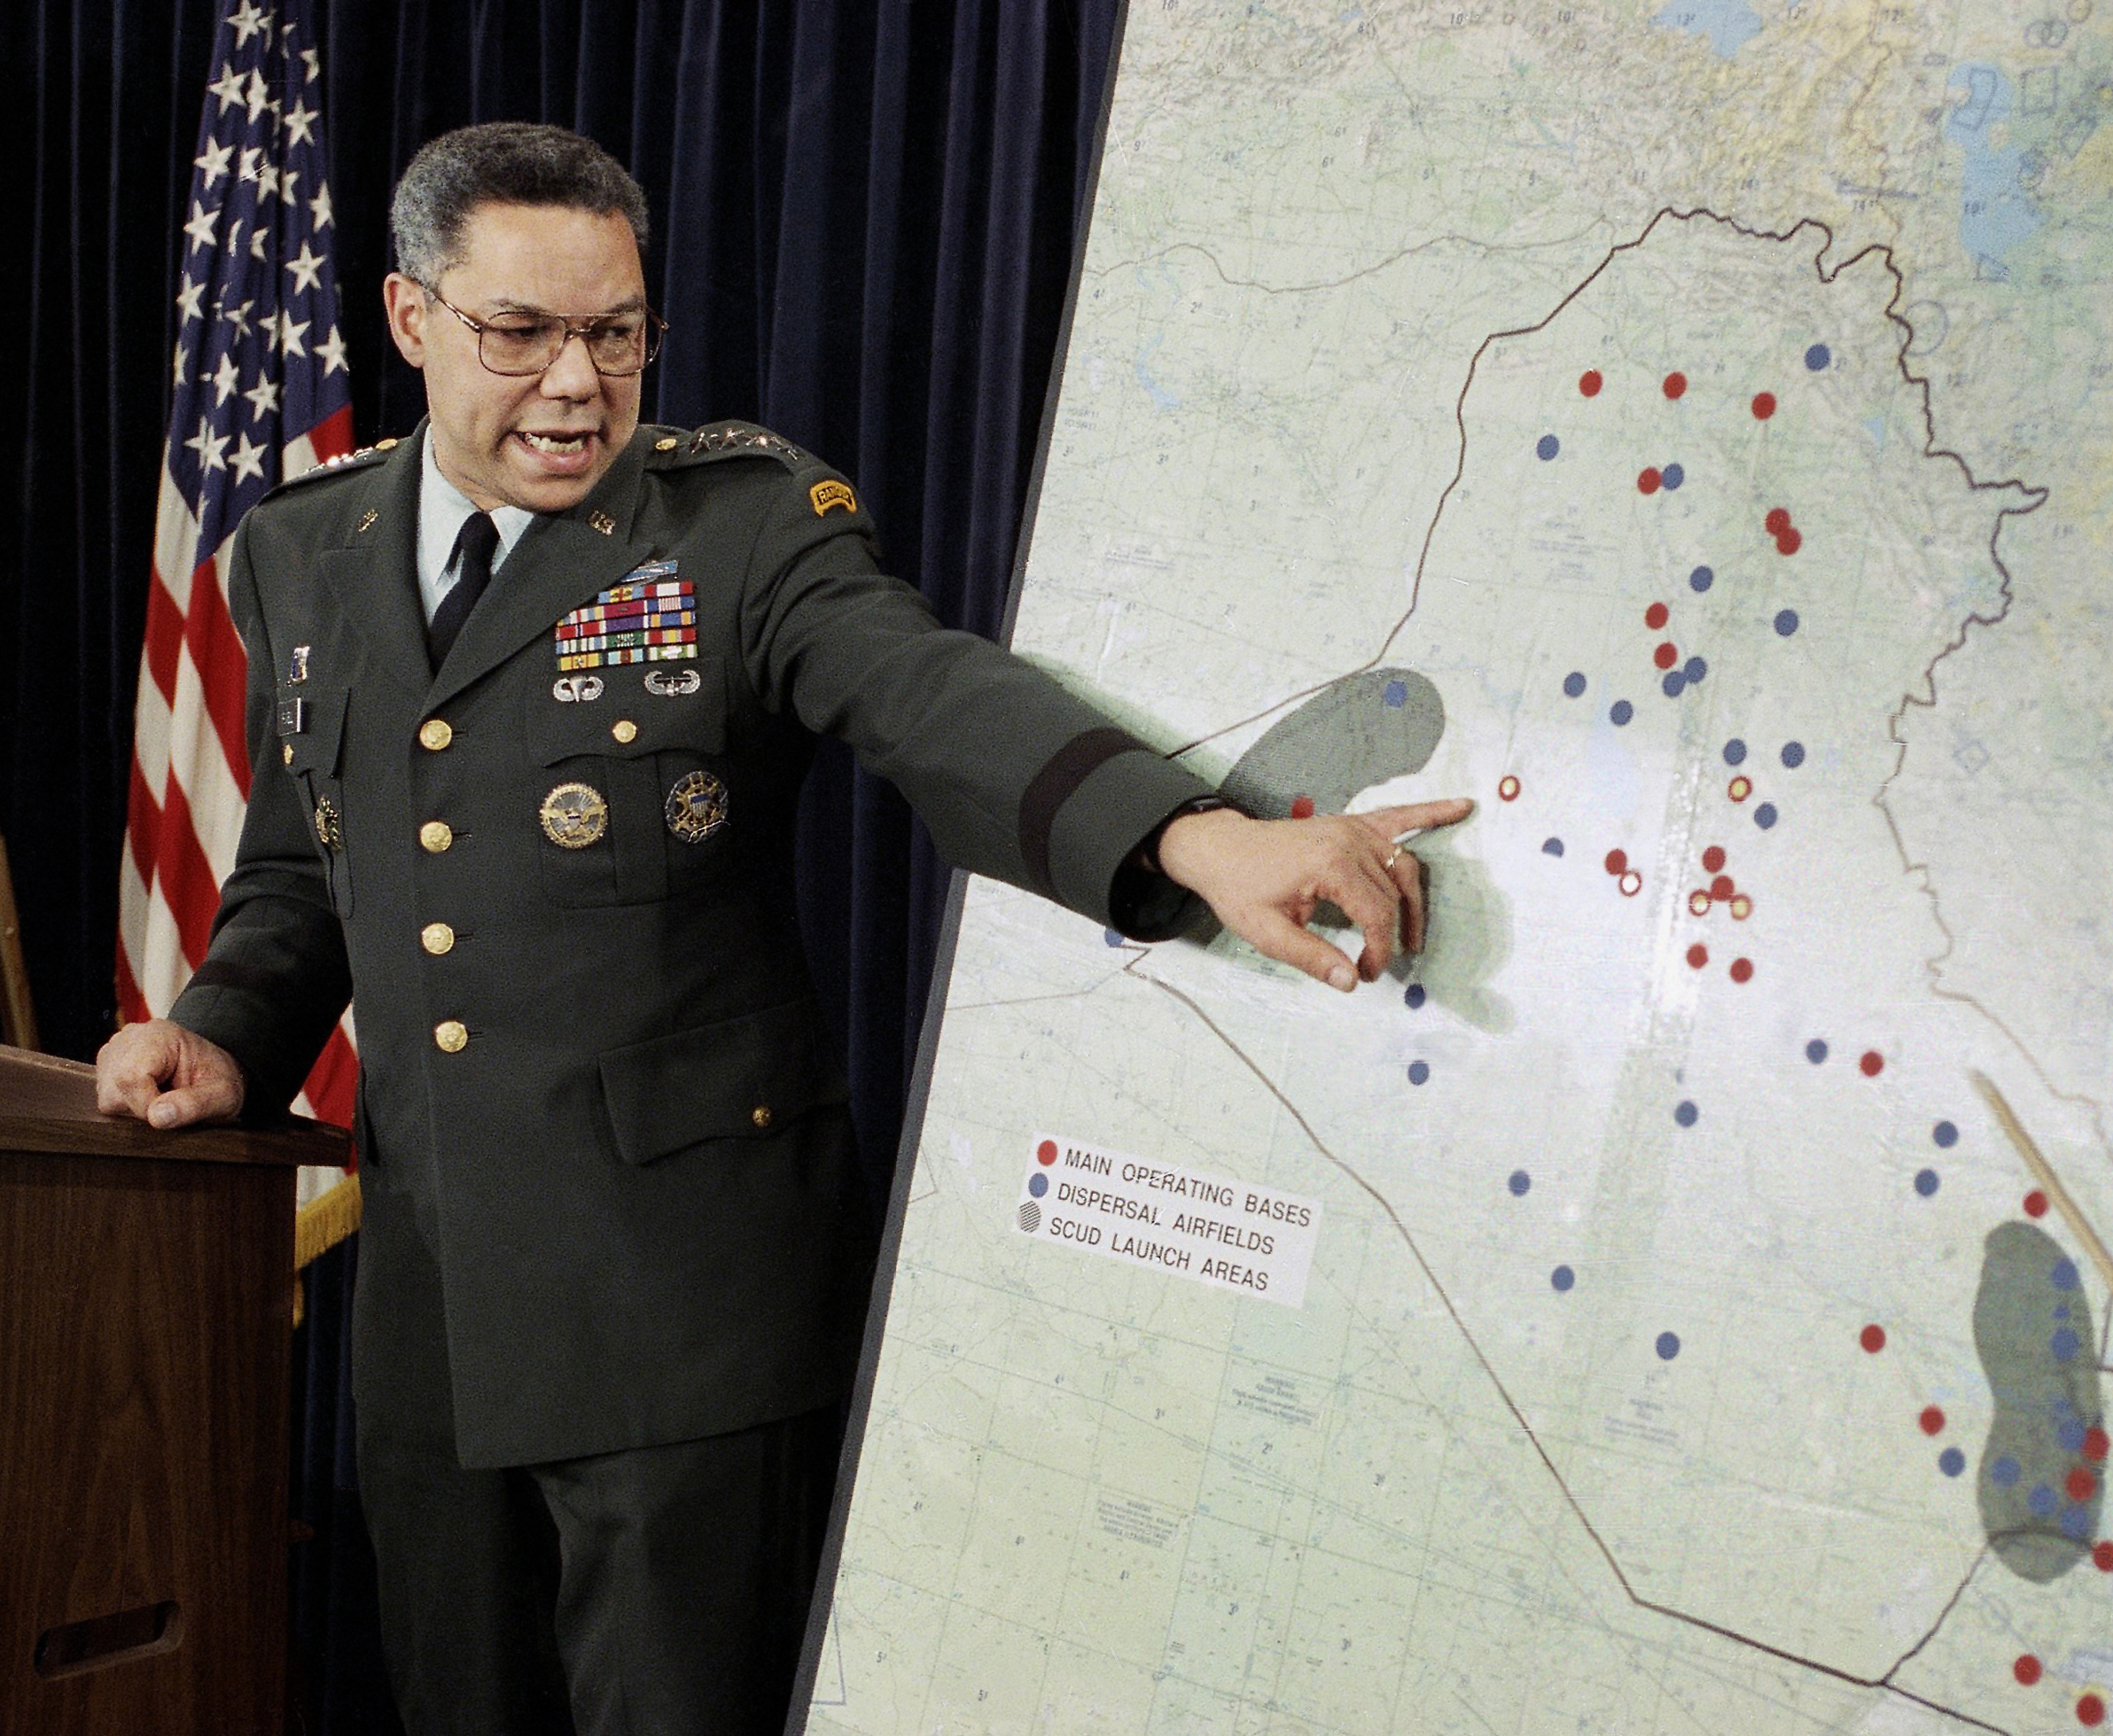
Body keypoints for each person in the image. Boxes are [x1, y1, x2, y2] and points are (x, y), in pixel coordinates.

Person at [95, 122, 1467, 1736]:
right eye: (518, 331)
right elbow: (304, 865)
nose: (574, 386)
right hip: (436, 1318)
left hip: (687, 1324)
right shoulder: (298, 552)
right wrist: (227, 1031)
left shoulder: (736, 528)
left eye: (614, 330)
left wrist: (1185, 830)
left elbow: (927, 696)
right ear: (410, 320)